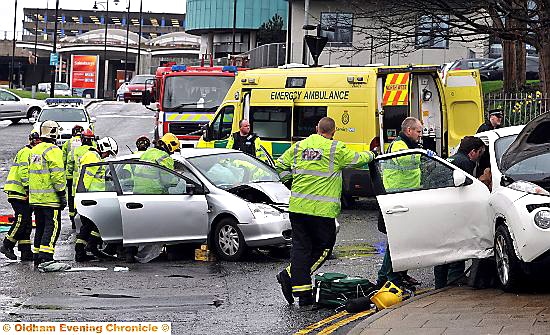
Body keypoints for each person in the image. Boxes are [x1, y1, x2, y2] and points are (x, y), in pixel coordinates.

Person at [275, 117, 376, 306]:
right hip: (322, 212)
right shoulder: (335, 149)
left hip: (298, 208)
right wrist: (372, 154)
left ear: (316, 128)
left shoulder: (299, 146)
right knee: (324, 249)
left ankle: (303, 294)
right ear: (334, 131)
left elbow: (279, 165)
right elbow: (357, 159)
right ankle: (288, 276)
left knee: (301, 249)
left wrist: (290, 182)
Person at [376, 117, 424, 289]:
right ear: (408, 130)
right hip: (396, 197)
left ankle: (397, 275)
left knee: (404, 240)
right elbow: (405, 161)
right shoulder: (399, 145)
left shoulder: (411, 144)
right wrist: (422, 155)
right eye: (418, 131)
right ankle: (389, 277)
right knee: (397, 241)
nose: (420, 135)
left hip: (407, 195)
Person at [434, 136, 486, 289]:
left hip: (440, 209)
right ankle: (454, 281)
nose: (479, 157)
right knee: (456, 246)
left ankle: (440, 285)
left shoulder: (450, 159)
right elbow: (468, 189)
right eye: (480, 153)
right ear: (472, 152)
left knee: (441, 251)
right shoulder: (465, 163)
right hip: (453, 210)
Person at [127, 133, 180, 263]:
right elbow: (168, 180)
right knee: (165, 225)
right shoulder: (165, 157)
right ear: (170, 146)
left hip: (138, 193)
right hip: (155, 194)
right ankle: (171, 253)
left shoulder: (148, 153)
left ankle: (130, 253)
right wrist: (178, 178)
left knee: (138, 226)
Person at [29, 120, 67, 267]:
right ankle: (47, 256)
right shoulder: (54, 151)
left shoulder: (34, 150)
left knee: (40, 227)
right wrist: (62, 194)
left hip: (36, 199)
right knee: (52, 227)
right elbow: (57, 175)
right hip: (50, 199)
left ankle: (37, 255)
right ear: (54, 132)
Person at [74, 137, 118, 262]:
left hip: (93, 198)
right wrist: (83, 197)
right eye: (108, 153)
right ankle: (82, 251)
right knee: (89, 226)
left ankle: (87, 249)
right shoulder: (92, 157)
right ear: (103, 148)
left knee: (90, 226)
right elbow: (86, 179)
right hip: (89, 198)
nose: (107, 156)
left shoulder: (94, 156)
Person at [0, 130, 41, 261]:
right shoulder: (26, 152)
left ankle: (25, 251)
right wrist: (29, 190)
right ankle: (7, 244)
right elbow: (24, 173)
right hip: (19, 192)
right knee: (21, 219)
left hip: (22, 192)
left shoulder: (31, 152)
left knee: (27, 223)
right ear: (34, 141)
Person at [62, 125, 84, 229]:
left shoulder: (68, 143)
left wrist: (67, 175)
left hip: (72, 177)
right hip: (85, 177)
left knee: (71, 199)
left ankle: (73, 221)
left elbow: (66, 160)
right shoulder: (88, 142)